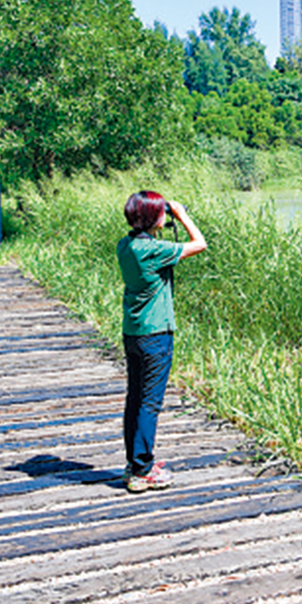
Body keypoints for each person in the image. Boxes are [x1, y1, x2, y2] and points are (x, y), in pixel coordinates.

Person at [117, 191, 206, 493]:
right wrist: (181, 214)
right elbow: (200, 243)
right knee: (149, 403)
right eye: (161, 212)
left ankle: (134, 462)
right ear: (153, 217)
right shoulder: (153, 251)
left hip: (133, 333)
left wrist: (160, 221)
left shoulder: (126, 246)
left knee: (135, 399)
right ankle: (143, 470)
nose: (165, 216)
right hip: (156, 334)